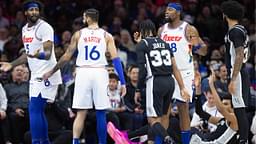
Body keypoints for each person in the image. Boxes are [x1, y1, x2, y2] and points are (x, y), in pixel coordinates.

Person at [42, 8, 126, 144]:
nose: (82, 19)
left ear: (87, 18)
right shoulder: (107, 36)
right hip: (99, 72)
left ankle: (75, 142)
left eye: (83, 17)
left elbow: (66, 56)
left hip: (83, 72)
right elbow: (116, 60)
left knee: (81, 113)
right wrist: (122, 82)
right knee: (101, 113)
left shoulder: (78, 34)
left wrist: (52, 71)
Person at [108, 19, 190, 144]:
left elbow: (142, 70)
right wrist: (182, 87)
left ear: (141, 31)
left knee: (153, 120)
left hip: (155, 82)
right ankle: (129, 136)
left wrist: (138, 89)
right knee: (163, 120)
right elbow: (175, 68)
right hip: (170, 82)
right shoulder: (165, 43)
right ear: (154, 30)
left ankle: (168, 140)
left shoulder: (142, 45)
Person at [0, 1, 62, 143]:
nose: (34, 12)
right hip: (35, 74)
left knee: (34, 108)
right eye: (31, 10)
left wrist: (36, 55)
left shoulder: (45, 27)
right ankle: (44, 141)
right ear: (25, 13)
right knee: (37, 110)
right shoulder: (25, 30)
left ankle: (36, 142)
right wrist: (11, 64)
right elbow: (26, 55)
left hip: (48, 72)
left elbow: (47, 53)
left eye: (36, 10)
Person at [158, 2, 208, 144]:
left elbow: (203, 50)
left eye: (171, 9)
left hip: (184, 73)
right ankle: (161, 141)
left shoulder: (188, 28)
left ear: (178, 12)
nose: (167, 12)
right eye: (166, 9)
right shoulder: (162, 30)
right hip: (166, 72)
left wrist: (196, 44)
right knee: (164, 111)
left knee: (183, 110)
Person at [221, 1, 250, 143]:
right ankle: (242, 139)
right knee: (239, 108)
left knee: (239, 109)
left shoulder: (235, 31)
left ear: (225, 14)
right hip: (239, 72)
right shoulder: (241, 29)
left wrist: (233, 79)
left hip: (237, 73)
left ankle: (243, 140)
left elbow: (239, 55)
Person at [190, 70, 238, 144]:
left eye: (226, 104)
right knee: (190, 130)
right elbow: (200, 111)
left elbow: (220, 109)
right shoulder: (222, 121)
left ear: (232, 108)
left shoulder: (234, 120)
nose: (223, 106)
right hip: (207, 141)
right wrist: (198, 88)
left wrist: (211, 85)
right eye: (223, 103)